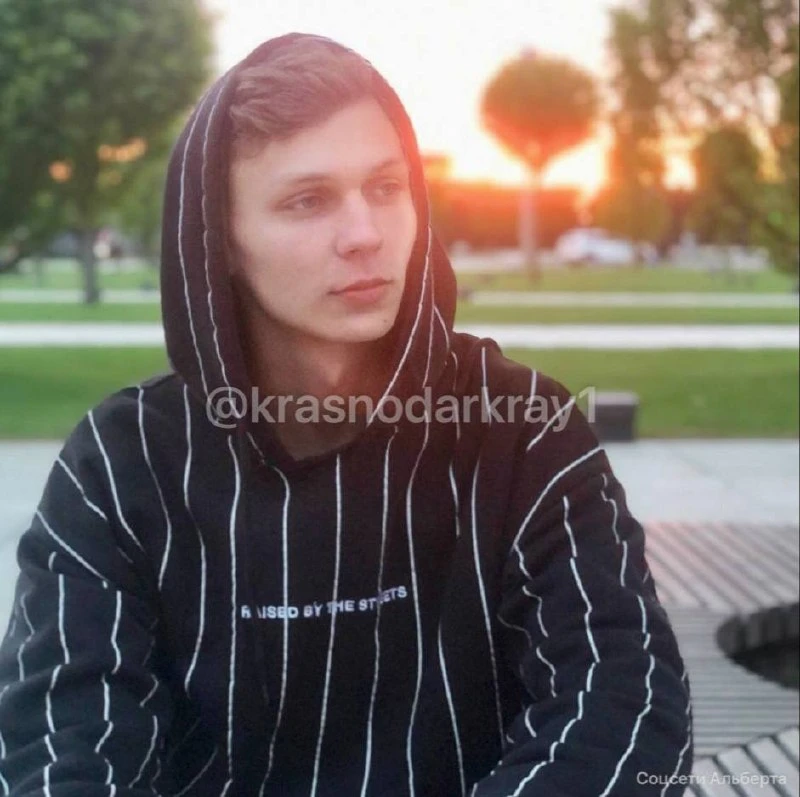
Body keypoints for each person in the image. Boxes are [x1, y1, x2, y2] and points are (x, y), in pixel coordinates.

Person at [0, 32, 693, 796]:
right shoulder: (122, 465)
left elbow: (627, 708)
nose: (366, 235)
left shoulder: (525, 430)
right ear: (220, 239)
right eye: (308, 200)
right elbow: (65, 742)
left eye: (387, 187)